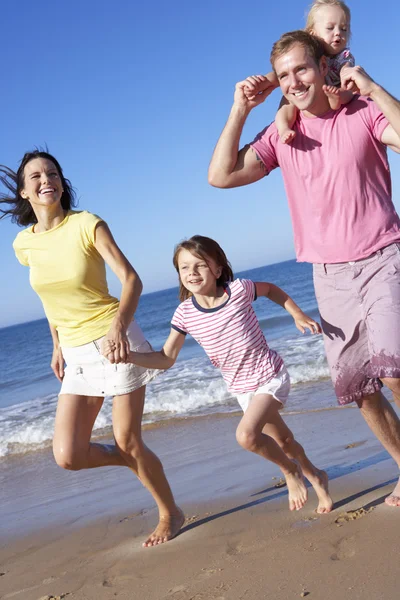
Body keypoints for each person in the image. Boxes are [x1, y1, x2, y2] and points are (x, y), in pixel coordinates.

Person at [207, 30, 400, 507]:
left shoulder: (363, 112)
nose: (294, 81)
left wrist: (374, 88)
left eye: (302, 69)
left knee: (394, 370)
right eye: (284, 75)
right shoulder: (282, 133)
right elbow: (221, 175)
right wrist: (241, 108)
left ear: (322, 66)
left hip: (382, 256)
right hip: (329, 275)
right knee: (359, 387)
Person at [0, 150, 184, 546]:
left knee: (128, 438)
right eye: (35, 176)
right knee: (68, 455)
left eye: (52, 173)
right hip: (75, 352)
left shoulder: (87, 224)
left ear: (62, 183)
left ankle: (170, 512)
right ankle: (129, 460)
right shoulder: (23, 244)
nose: (45, 179)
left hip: (114, 340)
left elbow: (131, 280)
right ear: (23, 191)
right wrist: (56, 345)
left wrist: (118, 326)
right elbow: (51, 298)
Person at [103, 235, 333, 514]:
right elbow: (166, 358)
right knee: (283, 441)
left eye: (200, 265)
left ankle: (291, 472)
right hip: (241, 389)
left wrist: (296, 314)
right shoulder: (185, 314)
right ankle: (316, 475)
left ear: (218, 269)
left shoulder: (239, 291)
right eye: (184, 268)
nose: (192, 273)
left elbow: (271, 290)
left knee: (246, 436)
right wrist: (129, 357)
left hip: (269, 376)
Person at [259, 0, 355, 144]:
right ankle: (283, 127)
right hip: (309, 93)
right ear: (313, 33)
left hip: (333, 88)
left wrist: (343, 86)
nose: (338, 33)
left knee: (350, 91)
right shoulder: (307, 53)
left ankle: (337, 99)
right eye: (330, 28)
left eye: (344, 29)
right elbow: (281, 72)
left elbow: (346, 69)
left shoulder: (344, 56)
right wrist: (265, 81)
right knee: (287, 101)